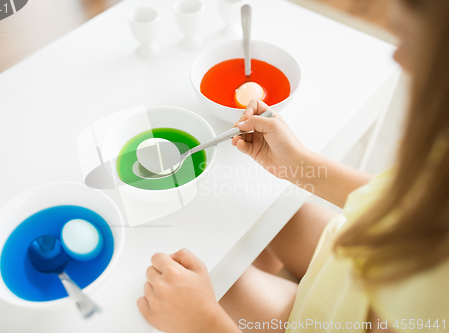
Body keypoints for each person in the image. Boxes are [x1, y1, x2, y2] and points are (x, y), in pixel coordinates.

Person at [137, 0, 449, 331]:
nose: (396, 57)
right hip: (352, 250)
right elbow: (409, 200)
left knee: (218, 273)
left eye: (411, 43)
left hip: (324, 320)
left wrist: (205, 321)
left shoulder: (429, 300)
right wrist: (299, 165)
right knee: (266, 212)